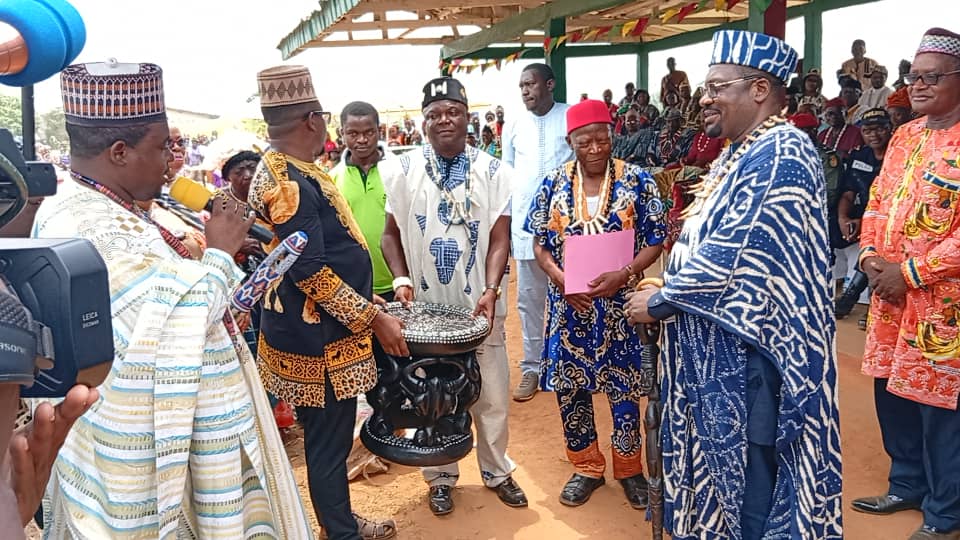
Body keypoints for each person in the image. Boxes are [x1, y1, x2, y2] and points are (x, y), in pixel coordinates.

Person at [33, 61, 313, 538]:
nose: (172, 160)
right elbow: (167, 332)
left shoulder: (106, 207)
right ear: (119, 152)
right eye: (162, 147)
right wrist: (221, 255)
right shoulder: (86, 225)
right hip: (142, 471)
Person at [626, 30, 842, 539]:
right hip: (719, 348)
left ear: (760, 90)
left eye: (717, 86)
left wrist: (661, 299)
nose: (704, 98)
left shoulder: (783, 152)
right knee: (730, 483)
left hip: (755, 356)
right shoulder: (737, 153)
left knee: (753, 485)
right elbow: (711, 241)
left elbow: (738, 252)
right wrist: (671, 275)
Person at [248, 65, 404, 540]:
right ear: (312, 120)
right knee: (327, 441)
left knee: (329, 439)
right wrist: (374, 317)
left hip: (319, 327)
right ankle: (340, 532)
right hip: (319, 340)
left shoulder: (292, 168)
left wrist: (368, 295)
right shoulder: (288, 179)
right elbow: (309, 269)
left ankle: (338, 521)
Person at [380, 76, 527, 517]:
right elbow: (390, 236)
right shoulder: (401, 171)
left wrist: (491, 288)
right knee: (433, 393)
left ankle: (497, 470)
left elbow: (500, 238)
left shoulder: (495, 172)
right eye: (434, 114)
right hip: (424, 309)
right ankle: (440, 476)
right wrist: (402, 278)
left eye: (453, 111)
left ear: (468, 117)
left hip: (479, 304)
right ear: (423, 123)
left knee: (493, 392)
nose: (444, 120)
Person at [524, 99, 665, 509]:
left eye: (602, 139)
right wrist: (560, 277)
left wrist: (625, 273)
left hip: (621, 307)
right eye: (584, 141)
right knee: (572, 390)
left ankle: (628, 469)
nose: (595, 148)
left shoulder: (638, 181)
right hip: (572, 308)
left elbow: (656, 237)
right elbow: (539, 242)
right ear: (571, 142)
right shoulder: (551, 183)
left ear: (611, 137)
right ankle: (586, 466)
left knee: (625, 390)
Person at [853, 27, 960, 540]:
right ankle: (907, 484)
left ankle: (944, 512)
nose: (917, 86)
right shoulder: (905, 135)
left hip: (943, 305)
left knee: (940, 406)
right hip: (890, 296)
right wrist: (872, 257)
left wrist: (911, 273)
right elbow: (877, 200)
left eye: (931, 77)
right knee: (890, 392)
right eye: (914, 76)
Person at [500, 63, 573, 402]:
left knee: (573, 295)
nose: (525, 91)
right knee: (529, 302)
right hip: (527, 228)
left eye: (530, 84)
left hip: (570, 226)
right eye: (521, 86)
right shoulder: (513, 124)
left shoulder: (570, 116)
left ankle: (571, 364)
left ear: (549, 84)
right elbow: (509, 175)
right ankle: (532, 367)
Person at [833, 108, 893, 321]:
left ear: (890, 129)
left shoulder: (899, 153)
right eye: (868, 130)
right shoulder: (861, 155)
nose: (874, 135)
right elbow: (848, 194)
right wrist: (843, 218)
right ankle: (850, 296)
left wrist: (865, 221)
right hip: (866, 216)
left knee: (879, 246)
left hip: (892, 218)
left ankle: (860, 301)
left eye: (880, 129)